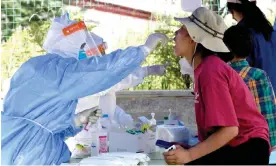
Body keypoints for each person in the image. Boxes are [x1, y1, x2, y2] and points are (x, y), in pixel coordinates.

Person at [1, 13, 168, 165]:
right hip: (29, 154)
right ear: (73, 46)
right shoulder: (60, 72)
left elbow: (46, 125)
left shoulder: (37, 67)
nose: (88, 57)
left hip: (20, 148)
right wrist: (142, 51)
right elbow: (103, 71)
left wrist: (76, 121)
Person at [163, 7, 270, 165]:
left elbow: (230, 129)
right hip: (238, 146)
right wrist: (190, 150)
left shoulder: (211, 70)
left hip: (247, 149)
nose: (175, 35)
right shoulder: (204, 69)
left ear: (194, 37)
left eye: (181, 29)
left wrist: (190, 155)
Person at [66, 33, 169, 158]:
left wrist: (125, 119)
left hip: (102, 142)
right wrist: (147, 69)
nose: (104, 56)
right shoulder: (85, 78)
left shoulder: (93, 77)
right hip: (86, 145)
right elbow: (115, 80)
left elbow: (108, 105)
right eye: (101, 51)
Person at [223, 25, 276, 149]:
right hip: (256, 145)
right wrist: (271, 143)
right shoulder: (258, 75)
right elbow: (268, 113)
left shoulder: (220, 75)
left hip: (227, 144)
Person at [227, 0, 276, 92]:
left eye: (231, 13)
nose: (233, 17)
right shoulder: (271, 33)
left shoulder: (242, 34)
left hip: (256, 93)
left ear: (234, 11)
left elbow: (241, 68)